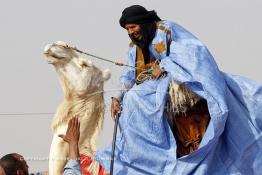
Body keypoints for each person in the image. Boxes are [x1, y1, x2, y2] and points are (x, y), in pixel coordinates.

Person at [95, 4, 262, 175]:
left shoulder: (166, 30)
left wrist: (164, 65)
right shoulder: (134, 47)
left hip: (180, 83)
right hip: (152, 91)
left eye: (132, 27)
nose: (130, 32)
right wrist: (116, 97)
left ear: (143, 23)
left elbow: (193, 53)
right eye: (127, 29)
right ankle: (149, 159)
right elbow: (129, 74)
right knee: (131, 99)